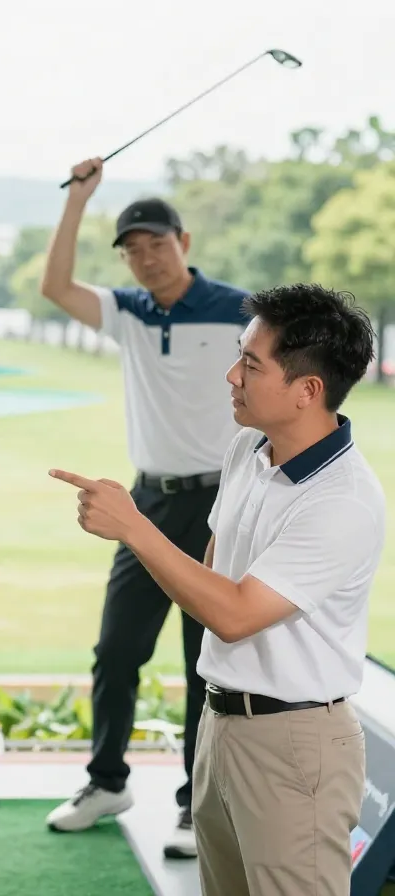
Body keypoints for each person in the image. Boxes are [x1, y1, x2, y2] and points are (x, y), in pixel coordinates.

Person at [50, 283, 383, 896]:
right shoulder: (247, 448)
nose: (232, 376)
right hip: (221, 725)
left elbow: (233, 613)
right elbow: (213, 574)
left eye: (252, 365)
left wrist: (134, 527)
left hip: (294, 745)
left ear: (308, 390)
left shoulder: (343, 501)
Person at [39, 157, 253, 857]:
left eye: (156, 243)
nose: (145, 258)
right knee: (116, 650)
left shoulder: (241, 311)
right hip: (148, 500)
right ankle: (107, 782)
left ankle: (197, 804)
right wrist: (79, 199)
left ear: (183, 242)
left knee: (202, 661)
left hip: (220, 503)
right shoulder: (129, 313)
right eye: (132, 250)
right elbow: (55, 286)